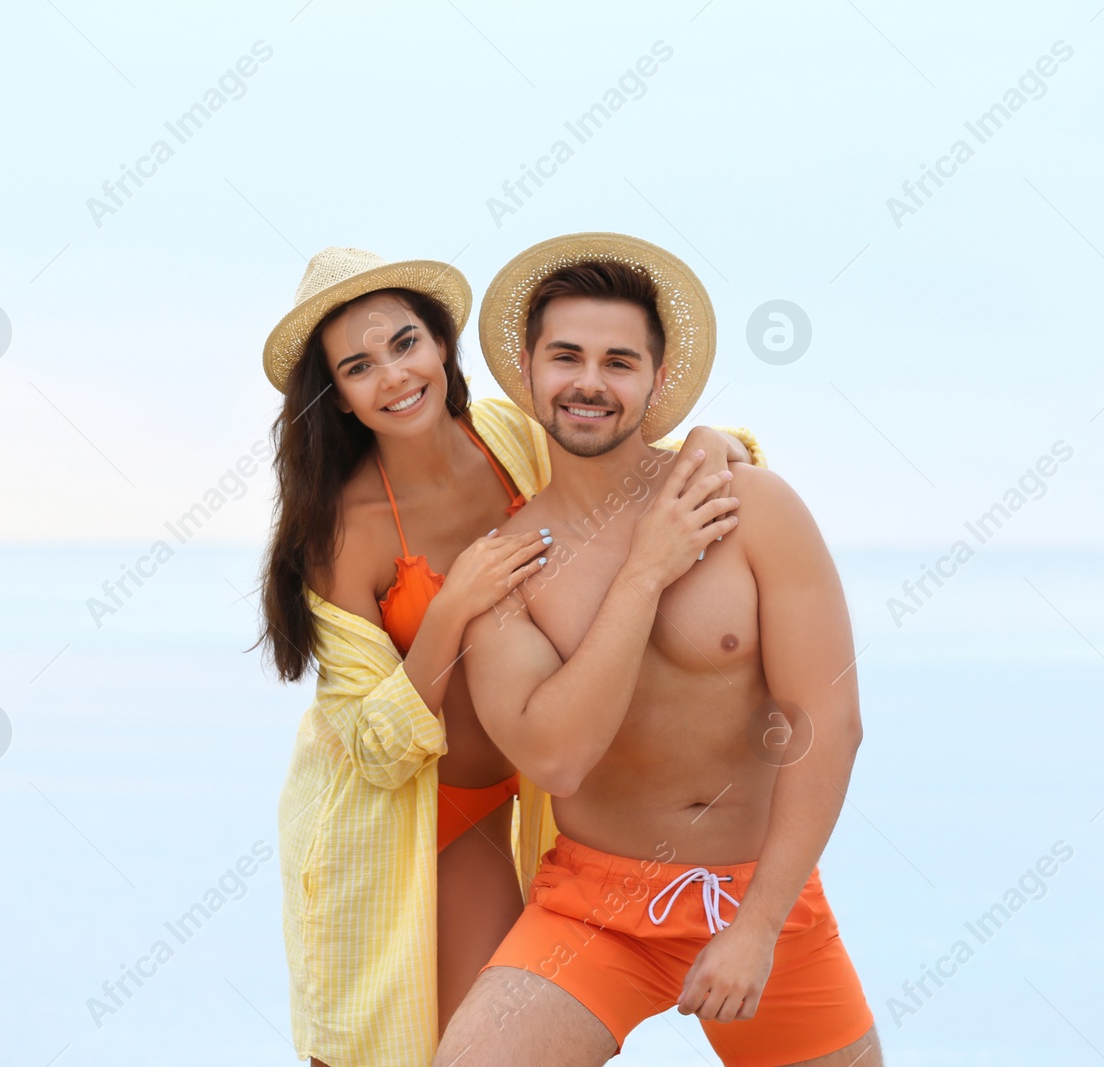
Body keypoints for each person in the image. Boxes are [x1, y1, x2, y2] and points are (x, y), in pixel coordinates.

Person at [253, 245, 766, 1067]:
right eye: (358, 366)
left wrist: (716, 441)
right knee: (375, 1044)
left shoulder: (511, 435)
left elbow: (640, 464)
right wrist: (450, 609)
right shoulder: (344, 532)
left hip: (500, 802)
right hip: (396, 819)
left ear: (442, 346)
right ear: (339, 399)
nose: (392, 375)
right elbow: (374, 745)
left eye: (405, 343)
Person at [434, 234, 884, 1066]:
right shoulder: (505, 567)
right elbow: (558, 758)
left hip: (766, 899)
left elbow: (829, 718)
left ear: (656, 379)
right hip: (592, 910)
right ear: (528, 373)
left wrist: (756, 929)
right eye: (566, 356)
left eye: (619, 361)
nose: (590, 382)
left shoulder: (750, 505)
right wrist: (645, 572)